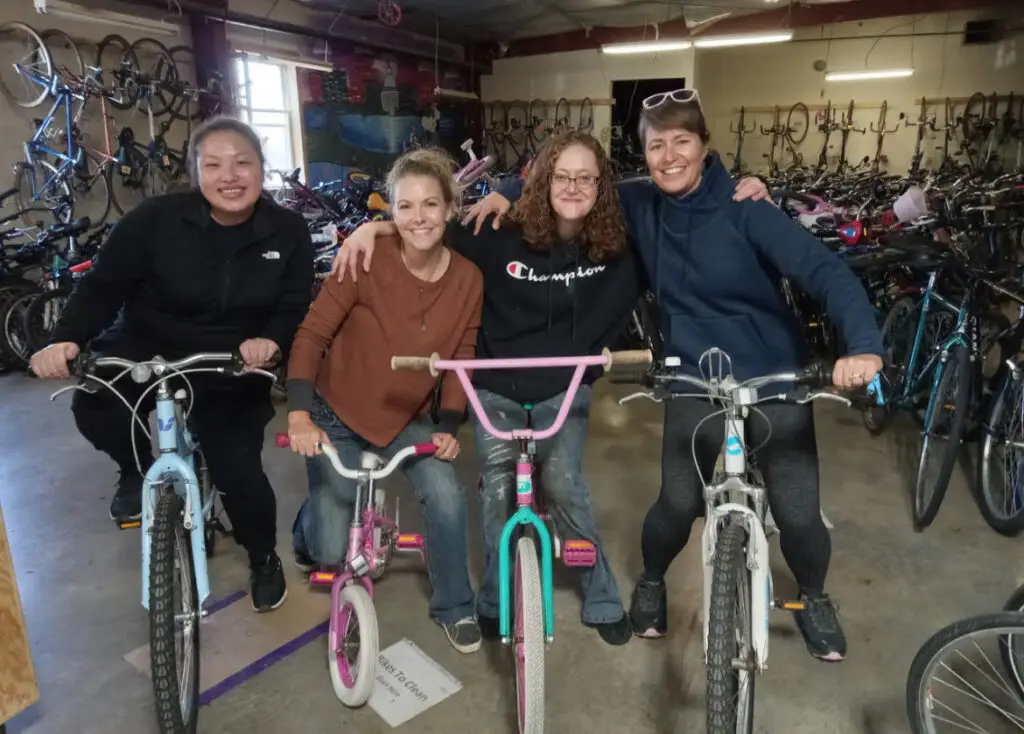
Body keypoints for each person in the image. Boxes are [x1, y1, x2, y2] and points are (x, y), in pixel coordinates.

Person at [464, 88, 886, 662]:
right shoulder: (640, 203)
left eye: (681, 141)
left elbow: (825, 271)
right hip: (694, 378)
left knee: (798, 513)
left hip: (773, 376)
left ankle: (814, 596)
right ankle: (652, 581)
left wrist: (863, 346)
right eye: (656, 144)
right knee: (676, 502)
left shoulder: (746, 206)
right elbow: (573, 184)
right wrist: (504, 190)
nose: (669, 156)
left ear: (704, 145)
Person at [330, 129, 766, 646]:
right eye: (562, 176)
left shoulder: (618, 246)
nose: (574, 186)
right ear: (542, 180)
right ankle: (494, 595)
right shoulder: (497, 229)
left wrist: (751, 189)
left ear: (602, 186)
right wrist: (374, 228)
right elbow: (425, 226)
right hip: (495, 386)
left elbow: (677, 203)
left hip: (565, 383)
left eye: (586, 177)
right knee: (496, 488)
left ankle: (600, 591)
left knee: (562, 483)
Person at [29, 116, 313, 613]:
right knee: (96, 402)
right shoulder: (154, 219)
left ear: (262, 170)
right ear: (195, 171)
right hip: (148, 343)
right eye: (214, 164)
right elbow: (102, 286)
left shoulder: (286, 230)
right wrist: (66, 339)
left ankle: (264, 557)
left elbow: (292, 303)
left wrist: (269, 341)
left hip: (231, 360)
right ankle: (135, 470)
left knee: (239, 471)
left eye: (243, 163)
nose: (230, 176)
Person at [285, 148, 486, 653]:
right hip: (338, 410)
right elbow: (310, 336)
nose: (419, 217)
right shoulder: (365, 257)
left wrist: (450, 423)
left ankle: (455, 605)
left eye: (431, 205)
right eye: (405, 206)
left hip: (406, 415)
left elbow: (461, 355)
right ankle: (307, 525)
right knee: (330, 548)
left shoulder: (468, 279)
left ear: (450, 208)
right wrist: (300, 413)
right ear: (390, 212)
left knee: (446, 496)